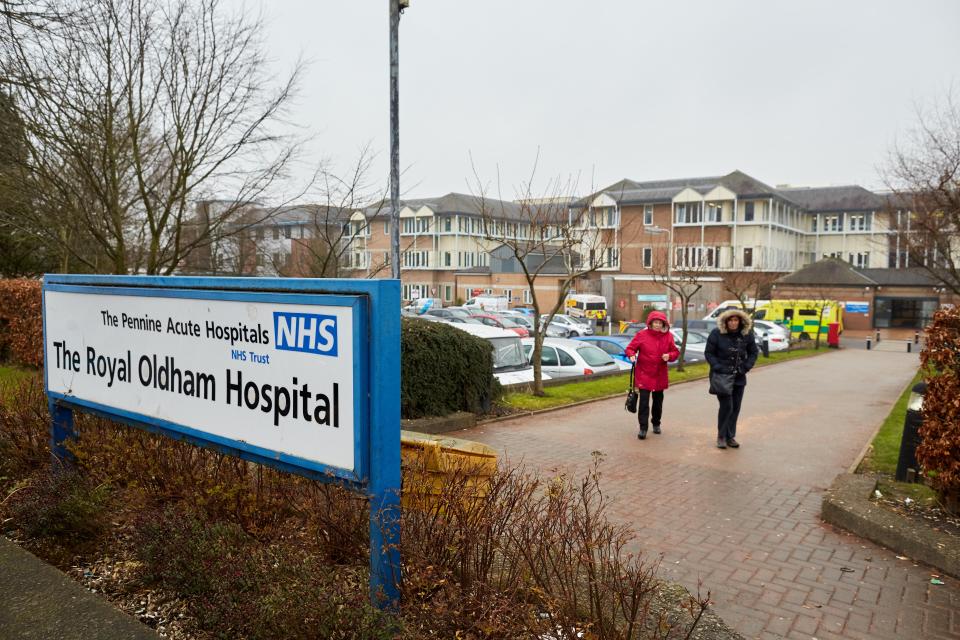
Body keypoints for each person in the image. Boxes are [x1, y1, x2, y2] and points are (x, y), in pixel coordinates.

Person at [704, 308, 759, 449]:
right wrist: (717, 367)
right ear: (726, 321)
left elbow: (753, 352)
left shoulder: (746, 334)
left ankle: (730, 436)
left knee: (735, 407)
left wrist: (745, 367)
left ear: (740, 321)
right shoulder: (716, 333)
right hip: (722, 376)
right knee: (727, 406)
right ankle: (721, 436)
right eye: (730, 320)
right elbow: (709, 353)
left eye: (736, 320)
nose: (733, 323)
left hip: (739, 376)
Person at [625, 310, 679, 440]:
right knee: (644, 403)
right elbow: (630, 348)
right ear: (650, 323)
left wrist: (669, 356)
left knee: (658, 402)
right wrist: (631, 355)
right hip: (644, 373)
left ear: (663, 323)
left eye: (660, 323)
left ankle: (656, 423)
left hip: (660, 374)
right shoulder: (642, 335)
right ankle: (643, 428)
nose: (657, 325)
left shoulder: (668, 336)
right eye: (655, 322)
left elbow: (675, 352)